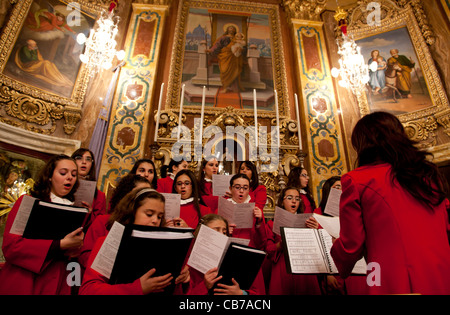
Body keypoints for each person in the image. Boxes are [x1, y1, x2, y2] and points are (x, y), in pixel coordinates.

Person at [331, 111, 450, 295]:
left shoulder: (358, 180)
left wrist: (335, 248)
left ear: (362, 145)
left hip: (393, 280)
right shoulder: (429, 176)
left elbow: (351, 246)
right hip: (441, 274)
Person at [0, 154, 84, 294]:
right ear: (50, 176)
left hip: (57, 281)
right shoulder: (27, 203)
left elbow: (74, 263)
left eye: (74, 174)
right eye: (63, 173)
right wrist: (59, 244)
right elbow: (10, 247)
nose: (69, 177)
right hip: (24, 280)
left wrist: (74, 250)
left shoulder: (76, 209)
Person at [79, 188, 189, 295]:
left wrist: (181, 280)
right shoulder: (110, 242)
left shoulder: (165, 248)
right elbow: (89, 290)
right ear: (132, 212)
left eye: (160, 217)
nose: (155, 220)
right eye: (149, 214)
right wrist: (137, 288)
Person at [78, 174, 152, 270]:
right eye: (140, 195)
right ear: (125, 196)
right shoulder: (103, 221)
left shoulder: (150, 226)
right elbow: (85, 257)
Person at [262, 186, 322, 295]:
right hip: (283, 266)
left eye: (297, 198)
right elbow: (268, 250)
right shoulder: (272, 224)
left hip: (305, 267)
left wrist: (316, 229)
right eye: (289, 198)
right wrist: (280, 245)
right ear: (282, 201)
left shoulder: (308, 221)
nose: (294, 201)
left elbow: (320, 248)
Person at [187, 213, 265, 295]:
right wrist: (204, 286)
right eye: (215, 231)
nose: (221, 235)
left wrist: (241, 293)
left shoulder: (236, 258)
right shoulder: (191, 264)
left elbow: (256, 292)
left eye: (224, 232)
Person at [225, 173, 266, 248]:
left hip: (249, 251)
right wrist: (225, 231)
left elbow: (262, 242)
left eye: (245, 188)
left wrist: (259, 222)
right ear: (230, 189)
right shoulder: (223, 206)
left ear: (249, 189)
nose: (241, 190)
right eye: (237, 187)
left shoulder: (255, 209)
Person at [71, 148, 106, 232]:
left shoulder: (100, 196)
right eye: (79, 158)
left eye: (88, 159)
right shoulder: (64, 187)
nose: (84, 162)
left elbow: (99, 226)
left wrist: (89, 214)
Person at [207, 24, 246, 94]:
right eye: (230, 28)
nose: (231, 29)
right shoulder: (223, 37)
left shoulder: (237, 38)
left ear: (235, 30)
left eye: (233, 28)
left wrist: (240, 49)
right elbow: (217, 45)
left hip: (234, 57)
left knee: (234, 72)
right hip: (224, 55)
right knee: (224, 71)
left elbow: (243, 47)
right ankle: (225, 87)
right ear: (227, 29)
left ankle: (235, 88)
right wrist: (211, 50)